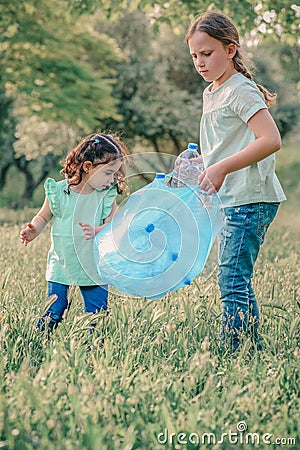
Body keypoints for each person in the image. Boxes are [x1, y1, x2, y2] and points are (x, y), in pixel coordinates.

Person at [186, 11, 286, 352]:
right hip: (232, 198)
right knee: (236, 279)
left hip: (250, 197)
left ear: (231, 50)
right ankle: (251, 349)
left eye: (207, 53)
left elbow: (270, 140)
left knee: (230, 279)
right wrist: (204, 164)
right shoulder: (213, 92)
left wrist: (222, 168)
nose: (200, 62)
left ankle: (235, 352)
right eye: (195, 55)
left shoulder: (240, 90)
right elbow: (227, 145)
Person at [20, 133, 128, 332]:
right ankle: (39, 340)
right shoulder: (60, 191)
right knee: (54, 309)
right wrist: (34, 229)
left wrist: (97, 230)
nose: (112, 179)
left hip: (94, 265)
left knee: (97, 314)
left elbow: (114, 224)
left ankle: (94, 350)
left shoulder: (106, 194)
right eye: (107, 173)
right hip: (62, 261)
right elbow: (43, 216)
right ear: (87, 167)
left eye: (114, 174)